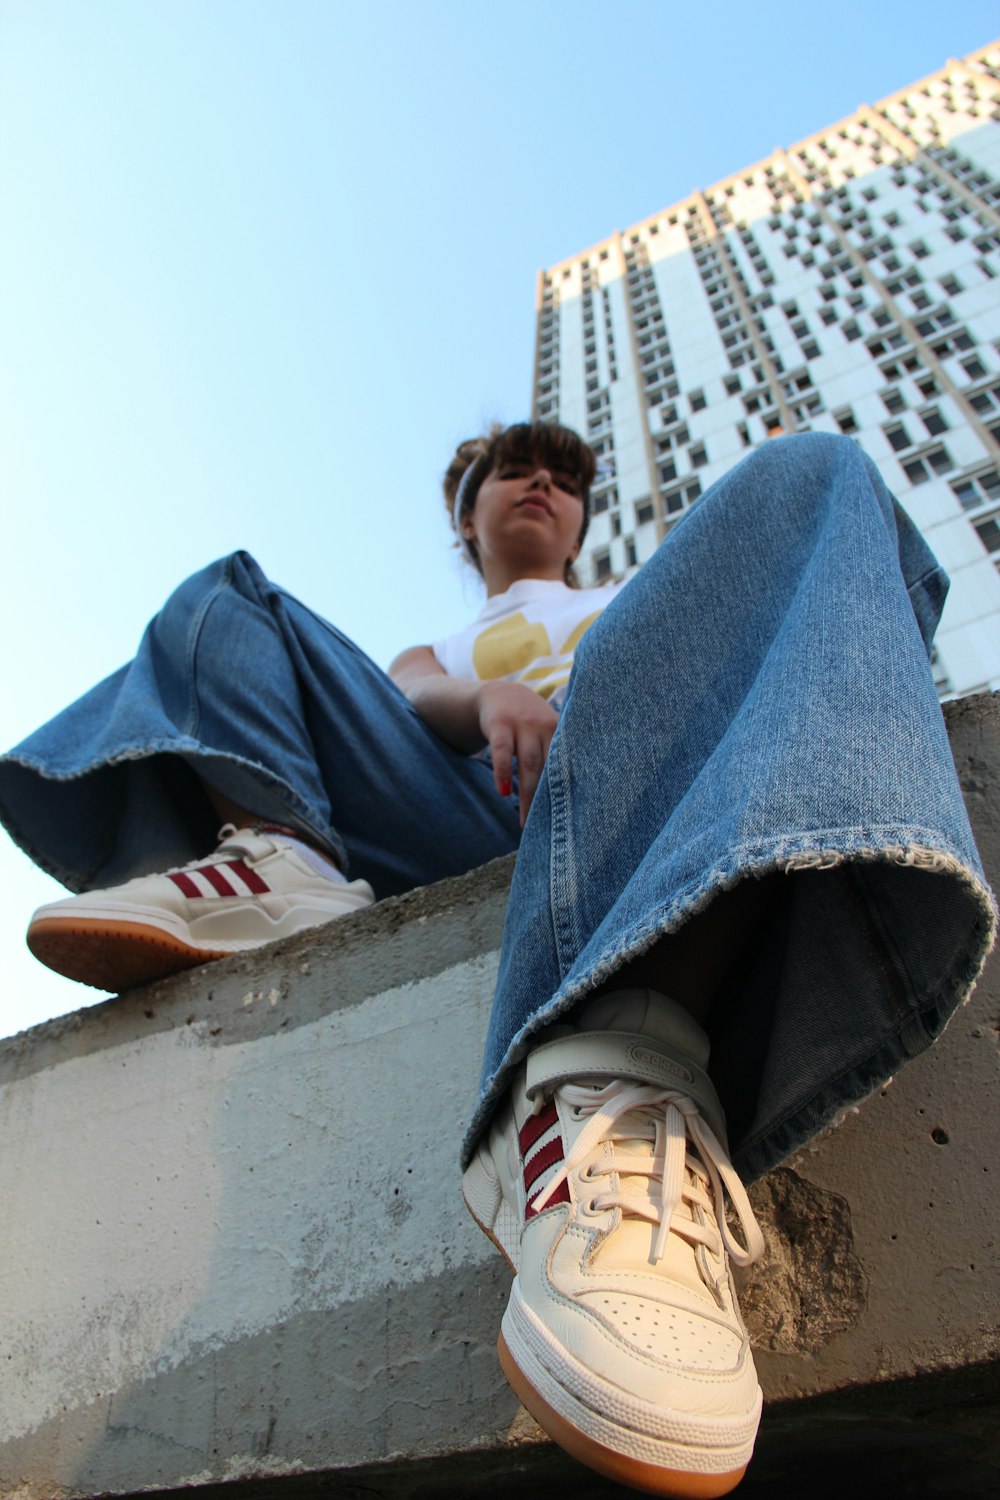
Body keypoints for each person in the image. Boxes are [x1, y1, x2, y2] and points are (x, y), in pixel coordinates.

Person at [0, 421, 994, 1499]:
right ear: (465, 517)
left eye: (565, 480)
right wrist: (486, 698)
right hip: (469, 815)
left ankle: (623, 1070)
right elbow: (411, 694)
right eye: (511, 473)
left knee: (819, 473)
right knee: (223, 595)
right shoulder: (445, 647)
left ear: (581, 520)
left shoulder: (632, 596)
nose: (540, 486)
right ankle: (284, 855)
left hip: (636, 792)